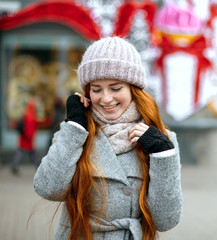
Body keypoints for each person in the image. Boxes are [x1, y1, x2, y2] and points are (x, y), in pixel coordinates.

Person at [33, 37, 183, 240]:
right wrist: (75, 126)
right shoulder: (75, 133)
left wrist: (163, 156)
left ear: (133, 89)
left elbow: (165, 221)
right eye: (96, 89)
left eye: (115, 88)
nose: (105, 99)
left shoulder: (160, 139)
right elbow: (47, 188)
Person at [11, 99, 40, 175]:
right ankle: (38, 166)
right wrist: (31, 138)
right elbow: (30, 129)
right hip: (28, 139)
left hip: (24, 138)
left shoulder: (25, 115)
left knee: (21, 152)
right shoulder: (31, 117)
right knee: (32, 154)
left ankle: (15, 165)